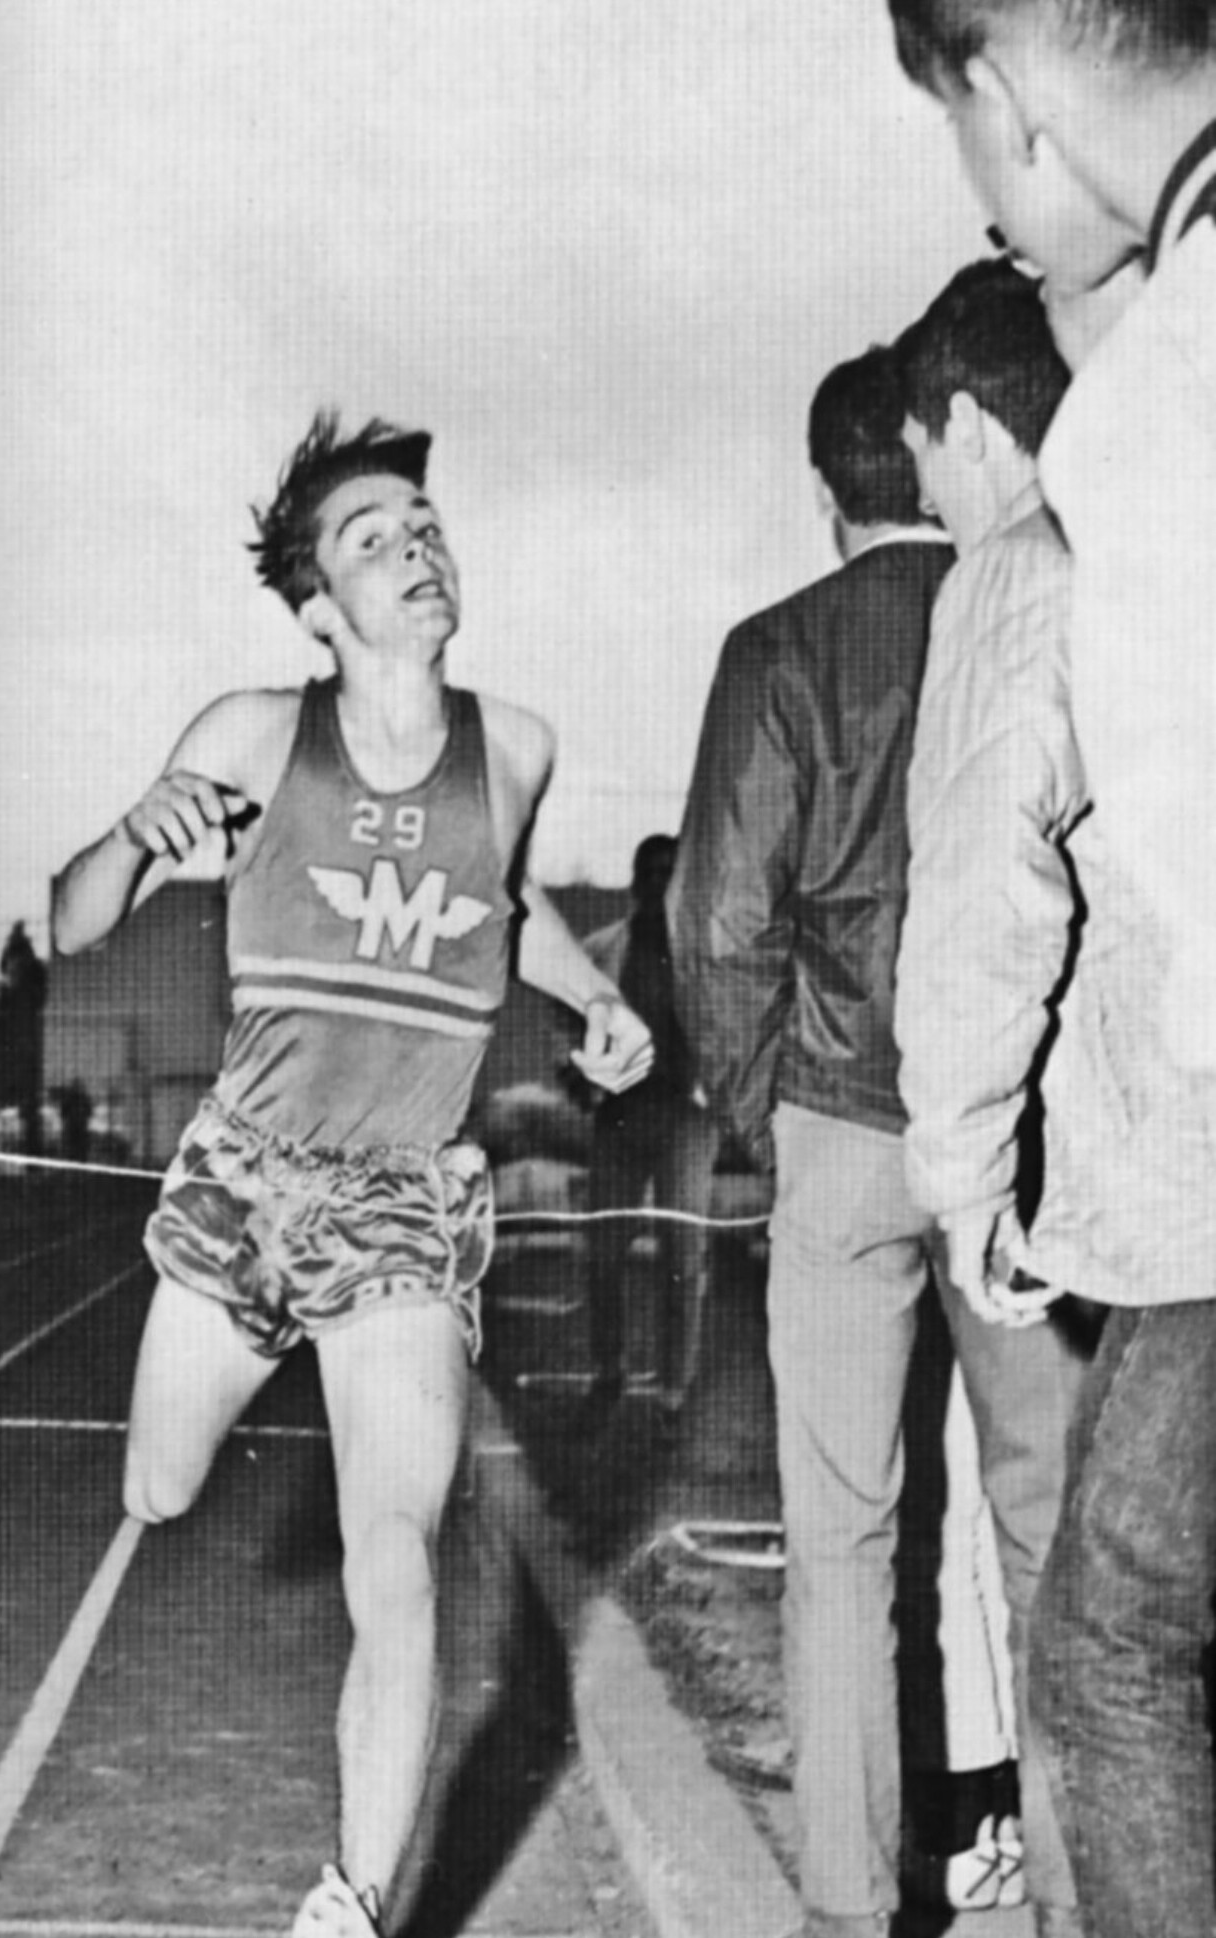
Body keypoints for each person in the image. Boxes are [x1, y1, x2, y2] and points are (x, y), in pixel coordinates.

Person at [50, 413, 653, 1938]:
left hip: (404, 1202)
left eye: (424, 524)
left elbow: (500, 901)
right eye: (372, 539)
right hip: (246, 1184)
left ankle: (351, 1899)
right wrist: (133, 835)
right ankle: (209, 1403)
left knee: (397, 1559)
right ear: (318, 607)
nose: (415, 549)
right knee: (158, 1483)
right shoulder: (255, 735)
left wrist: (594, 996)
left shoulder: (515, 748)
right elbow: (70, 922)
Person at [669, 343, 1080, 1937]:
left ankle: (847, 1908)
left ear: (828, 489)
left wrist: (762, 1109)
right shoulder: (1028, 608)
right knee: (1049, 1527)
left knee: (842, 1540)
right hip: (1017, 1132)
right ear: (927, 454)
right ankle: (1082, 1893)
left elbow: (721, 919)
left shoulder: (779, 649)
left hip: (840, 1123)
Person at [888, 10, 1216, 1934]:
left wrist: (958, 1175)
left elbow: (984, 898)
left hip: (1186, 1184)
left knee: (1102, 1648)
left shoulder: (1102, 473)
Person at [578, 833, 720, 1429]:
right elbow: (567, 1012)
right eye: (651, 872)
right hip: (619, 1114)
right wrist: (575, 1066)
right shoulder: (602, 950)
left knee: (682, 1255)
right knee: (603, 1253)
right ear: (636, 882)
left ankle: (672, 1390)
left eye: (671, 872)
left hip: (686, 1118)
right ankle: (607, 1371)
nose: (661, 883)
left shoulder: (709, 955)